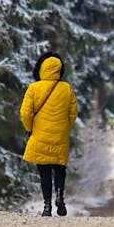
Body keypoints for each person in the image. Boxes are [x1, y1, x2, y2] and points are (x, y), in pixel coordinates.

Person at [20, 52, 78, 216]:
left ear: (41, 68)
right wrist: (65, 127)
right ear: (59, 70)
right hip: (60, 135)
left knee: (44, 171)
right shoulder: (66, 88)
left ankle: (47, 206)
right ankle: (60, 196)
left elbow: (25, 113)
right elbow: (73, 113)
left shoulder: (34, 88)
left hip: (40, 135)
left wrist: (30, 128)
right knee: (60, 168)